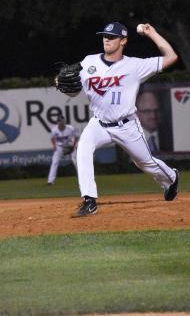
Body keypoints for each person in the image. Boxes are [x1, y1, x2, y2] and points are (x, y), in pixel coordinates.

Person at [61, 21, 180, 217]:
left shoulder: (135, 66)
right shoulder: (88, 62)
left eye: (112, 37)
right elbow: (73, 90)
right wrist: (62, 84)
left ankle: (171, 178)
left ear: (123, 40)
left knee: (144, 163)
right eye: (104, 36)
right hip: (99, 124)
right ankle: (89, 201)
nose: (106, 39)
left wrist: (153, 33)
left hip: (126, 125)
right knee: (82, 149)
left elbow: (172, 57)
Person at [47, 117, 78, 185]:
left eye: (62, 121)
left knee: (75, 161)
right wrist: (54, 146)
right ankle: (50, 181)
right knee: (54, 162)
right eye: (59, 121)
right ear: (57, 122)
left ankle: (81, 178)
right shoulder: (54, 130)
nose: (61, 123)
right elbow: (52, 138)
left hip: (69, 146)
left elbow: (76, 137)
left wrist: (74, 145)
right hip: (59, 147)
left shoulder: (70, 128)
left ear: (64, 122)